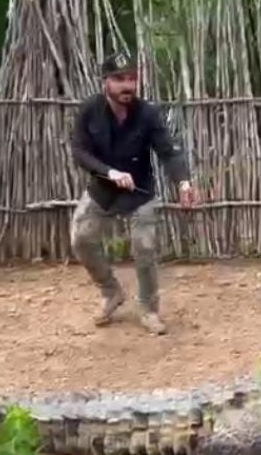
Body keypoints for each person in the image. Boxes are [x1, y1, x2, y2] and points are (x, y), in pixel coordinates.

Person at [69, 51, 195, 335]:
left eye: (132, 79)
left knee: (145, 247)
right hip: (103, 189)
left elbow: (168, 150)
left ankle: (149, 309)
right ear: (105, 82)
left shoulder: (147, 114)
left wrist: (184, 182)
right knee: (81, 239)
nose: (127, 85)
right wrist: (109, 172)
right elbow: (79, 151)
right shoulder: (89, 110)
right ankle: (111, 291)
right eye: (119, 79)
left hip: (140, 192)